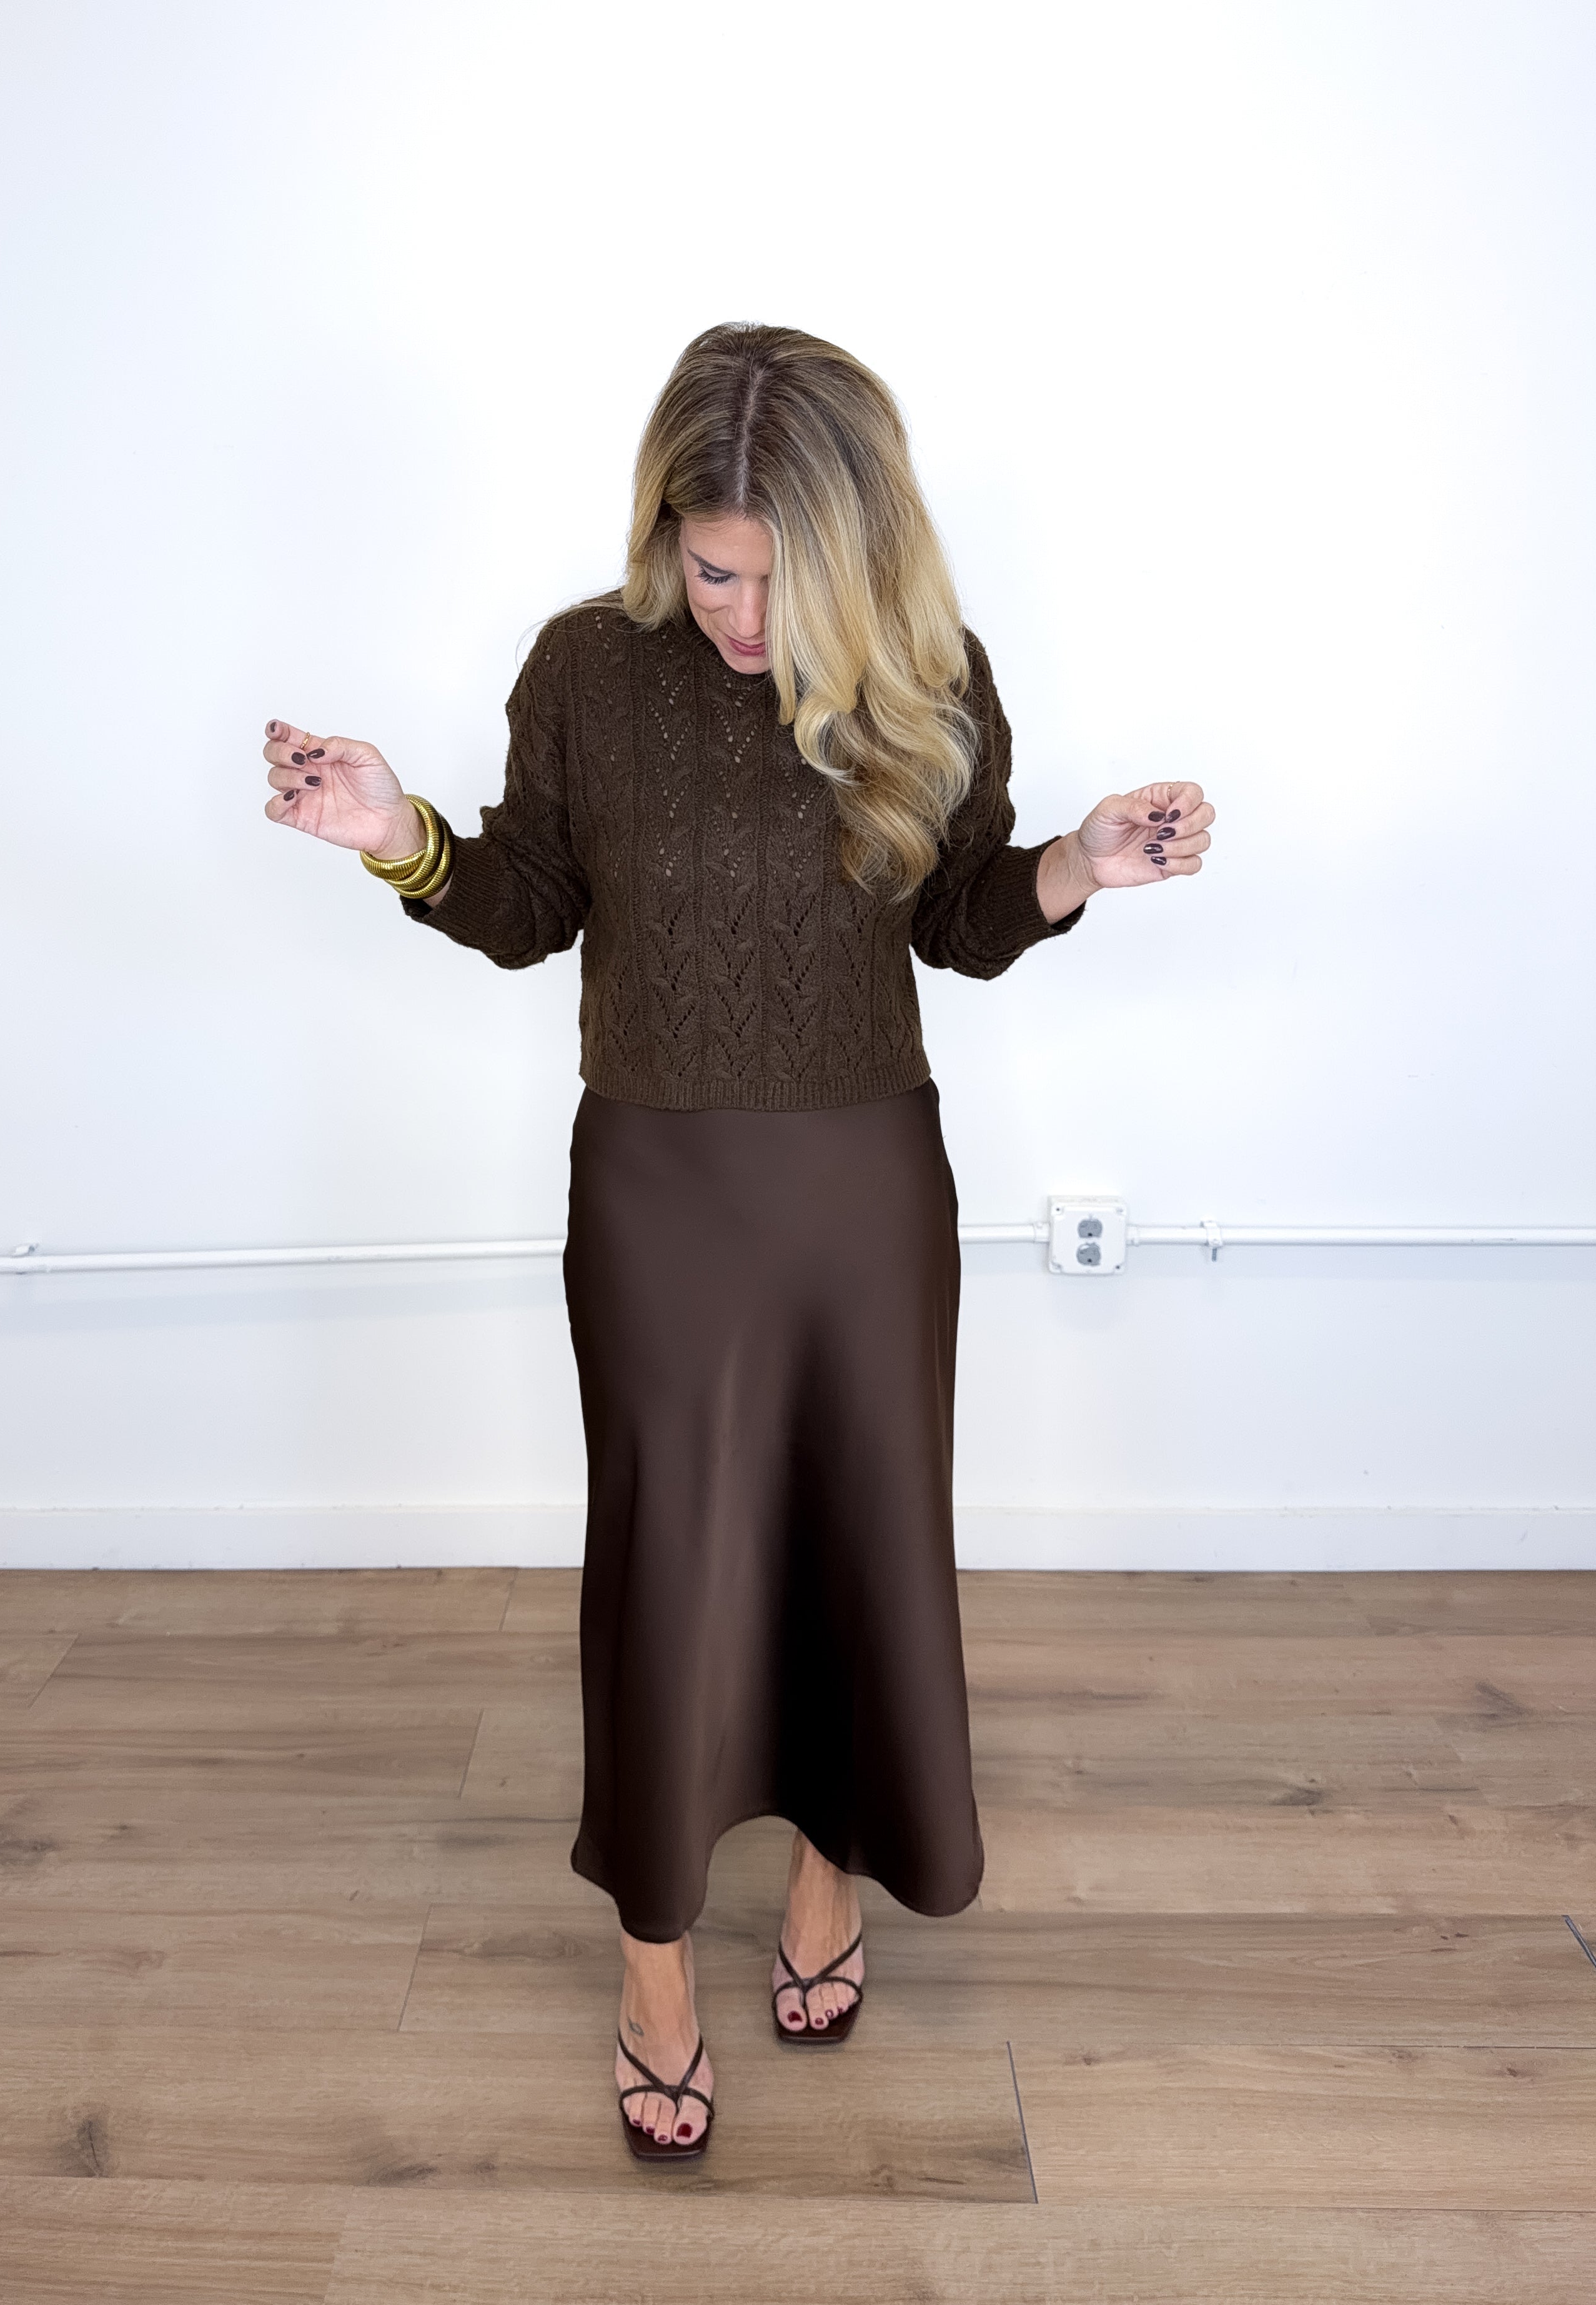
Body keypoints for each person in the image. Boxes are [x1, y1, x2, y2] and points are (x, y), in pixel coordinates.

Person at [261, 322, 1214, 2165]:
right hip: (659, 1192)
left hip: (866, 1184)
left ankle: (827, 1879)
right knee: (670, 1567)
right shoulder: (585, 669)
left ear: (863, 554)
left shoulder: (933, 672)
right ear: (664, 536)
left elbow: (956, 916)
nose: (746, 617)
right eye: (713, 571)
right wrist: (401, 836)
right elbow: (531, 903)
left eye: (786, 579)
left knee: (856, 1544)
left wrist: (1075, 865)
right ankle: (652, 1968)